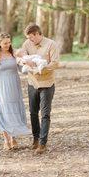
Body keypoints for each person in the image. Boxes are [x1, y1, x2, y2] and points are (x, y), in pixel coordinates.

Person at [19, 23, 60, 154]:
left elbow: (55, 63)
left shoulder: (51, 44)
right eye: (28, 38)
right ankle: (35, 139)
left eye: (31, 37)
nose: (30, 40)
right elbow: (20, 58)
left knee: (45, 114)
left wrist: (39, 68)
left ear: (37, 34)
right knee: (32, 113)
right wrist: (25, 62)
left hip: (47, 84)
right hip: (32, 83)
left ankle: (43, 143)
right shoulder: (27, 44)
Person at [0, 32, 30, 150]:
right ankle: (6, 139)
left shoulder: (14, 54)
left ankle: (13, 138)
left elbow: (22, 69)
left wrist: (28, 65)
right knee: (4, 111)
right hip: (2, 86)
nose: (7, 45)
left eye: (9, 42)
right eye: (5, 43)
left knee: (15, 110)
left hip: (14, 85)